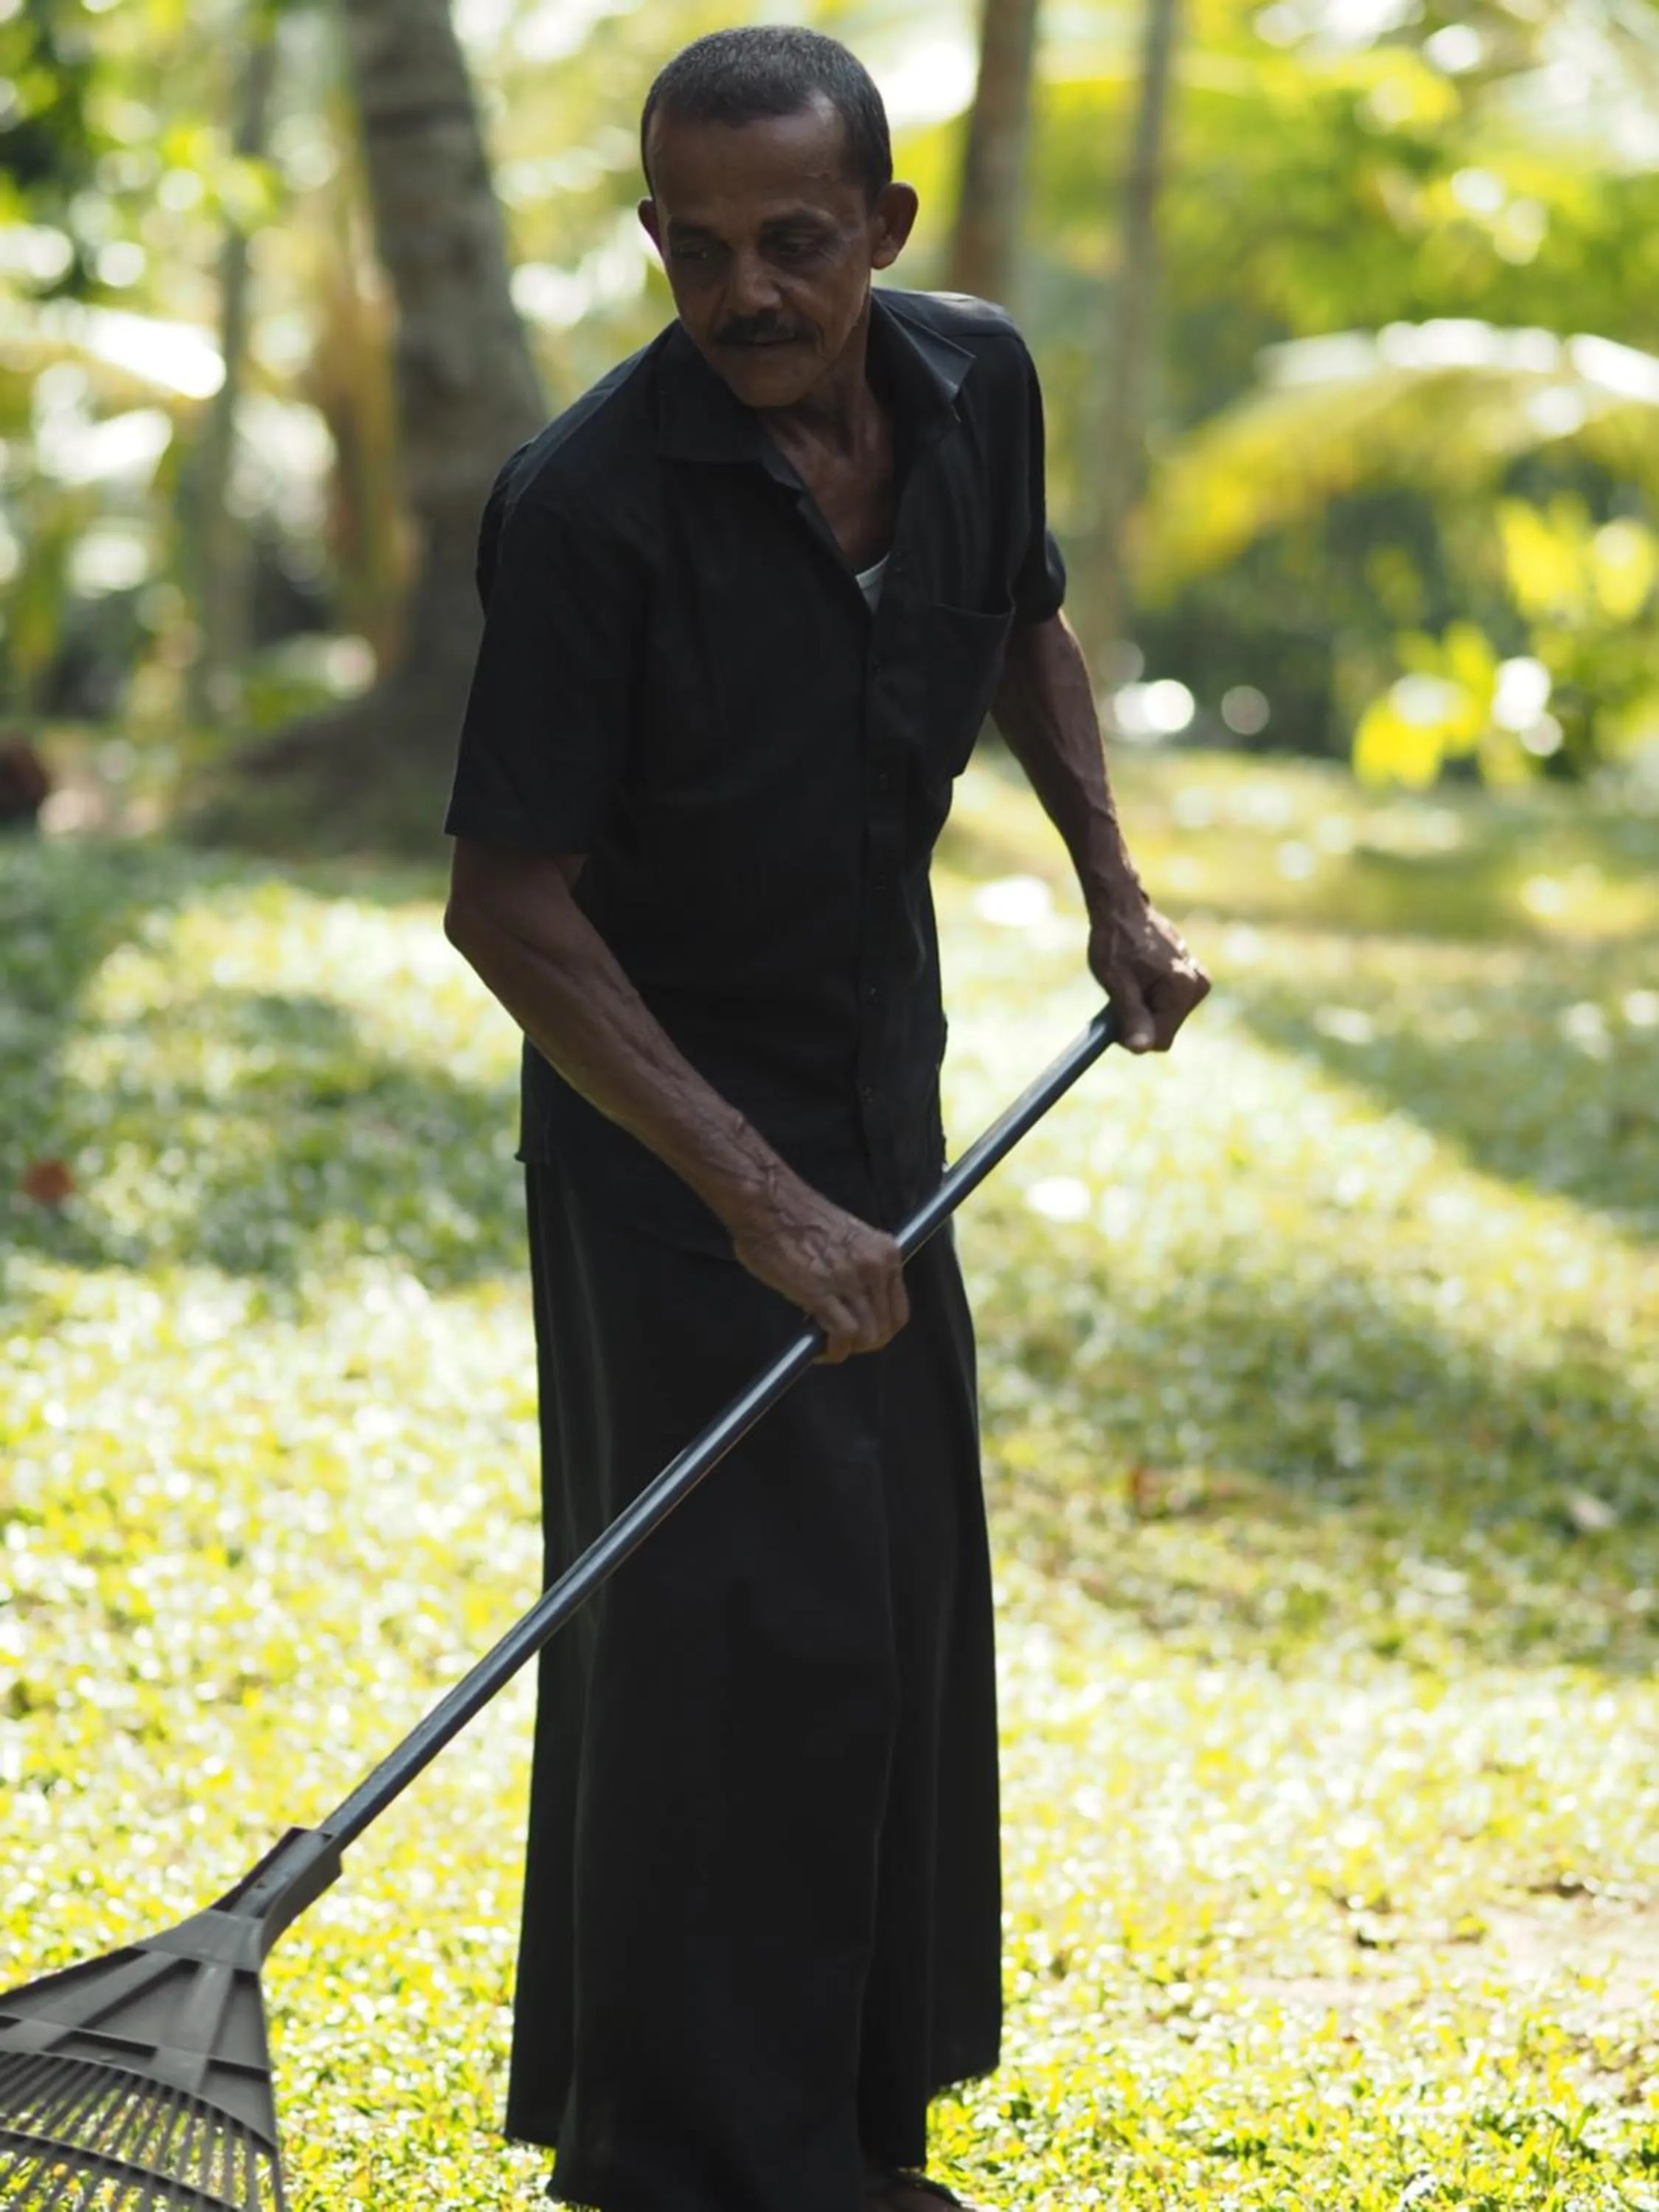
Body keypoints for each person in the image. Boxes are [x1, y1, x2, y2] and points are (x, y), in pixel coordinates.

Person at [442, 27, 1208, 2212]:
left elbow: (1021, 620)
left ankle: (852, 2141)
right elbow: (506, 903)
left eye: (796, 245)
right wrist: (762, 1205)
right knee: (722, 1649)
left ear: (880, 227)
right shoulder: (587, 508)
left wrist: (1112, 890)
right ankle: (691, 2165)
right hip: (666, 1146)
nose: (748, 297)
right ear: (658, 244)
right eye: (697, 254)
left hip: (887, 1089)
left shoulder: (976, 383)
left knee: (877, 1612)